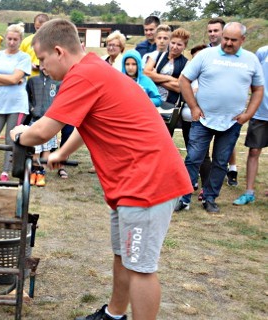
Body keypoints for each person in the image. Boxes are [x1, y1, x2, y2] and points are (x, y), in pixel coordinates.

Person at [11, 18, 191, 320]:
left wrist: (18, 134)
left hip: (146, 183)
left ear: (59, 51)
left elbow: (41, 131)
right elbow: (87, 120)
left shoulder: (83, 75)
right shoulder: (93, 69)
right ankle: (114, 314)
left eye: (42, 59)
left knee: (141, 269)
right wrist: (63, 152)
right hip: (130, 182)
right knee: (124, 256)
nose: (41, 66)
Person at [176, 22, 264, 213]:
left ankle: (210, 198)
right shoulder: (206, 55)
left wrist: (248, 113)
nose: (228, 43)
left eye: (233, 40)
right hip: (203, 119)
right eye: (226, 38)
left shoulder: (250, 60)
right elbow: (184, 80)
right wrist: (193, 107)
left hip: (232, 122)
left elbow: (258, 89)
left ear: (243, 40)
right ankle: (183, 198)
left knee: (220, 162)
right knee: (193, 158)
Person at [0, 24, 31, 182]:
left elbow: (14, 78)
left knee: (12, 140)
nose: (11, 42)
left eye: (15, 40)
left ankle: (6, 170)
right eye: (9, 39)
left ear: (20, 40)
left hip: (16, 104)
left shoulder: (24, 57)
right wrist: (11, 80)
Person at [233, 45, 268, 206]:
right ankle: (249, 192)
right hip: (261, 112)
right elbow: (253, 80)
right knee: (254, 151)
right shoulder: (262, 52)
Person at [205, 18, 238, 185]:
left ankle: (232, 168)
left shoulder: (236, 52)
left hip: (228, 105)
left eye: (216, 31)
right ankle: (207, 171)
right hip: (209, 106)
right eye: (210, 31)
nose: (212, 34)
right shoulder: (205, 53)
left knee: (227, 141)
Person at [180, 44, 212, 201]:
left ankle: (206, 188)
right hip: (186, 119)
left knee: (203, 155)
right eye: (195, 57)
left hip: (202, 121)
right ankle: (189, 185)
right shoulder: (189, 75)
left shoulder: (210, 76)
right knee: (191, 155)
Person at [26, 68, 61, 186]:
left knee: (47, 148)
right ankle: (34, 171)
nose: (45, 67)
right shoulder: (32, 80)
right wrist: (32, 108)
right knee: (35, 148)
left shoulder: (58, 83)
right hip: (35, 120)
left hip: (50, 121)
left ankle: (41, 173)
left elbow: (60, 99)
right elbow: (27, 97)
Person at [144, 28, 190, 110]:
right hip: (152, 100)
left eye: (179, 45)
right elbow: (146, 74)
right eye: (173, 43)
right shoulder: (157, 55)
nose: (175, 47)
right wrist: (171, 79)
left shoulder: (187, 64)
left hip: (171, 105)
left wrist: (155, 78)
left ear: (185, 46)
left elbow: (179, 88)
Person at [20, 13, 49, 78]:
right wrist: (28, 64)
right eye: (37, 28)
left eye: (43, 28)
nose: (40, 31)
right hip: (29, 79)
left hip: (48, 80)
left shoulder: (53, 42)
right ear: (34, 25)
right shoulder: (26, 41)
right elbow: (18, 59)